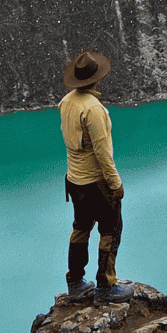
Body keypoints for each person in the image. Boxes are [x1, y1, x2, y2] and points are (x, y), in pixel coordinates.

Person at [59, 48, 132, 302]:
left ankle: (75, 282)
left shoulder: (66, 102)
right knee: (110, 229)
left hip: (74, 181)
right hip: (97, 183)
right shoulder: (94, 109)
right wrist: (116, 184)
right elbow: (103, 154)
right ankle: (106, 286)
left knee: (81, 228)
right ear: (97, 79)